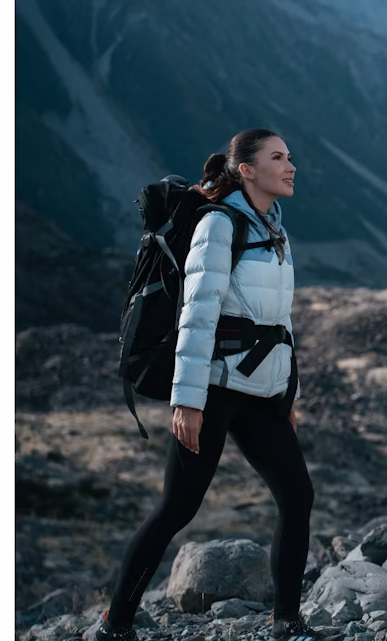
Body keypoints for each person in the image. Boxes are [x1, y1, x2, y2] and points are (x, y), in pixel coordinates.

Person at [97, 129, 325, 641]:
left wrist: (286, 392)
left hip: (262, 395)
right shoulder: (219, 225)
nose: (290, 166)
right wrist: (187, 400)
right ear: (245, 168)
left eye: (290, 156)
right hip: (217, 391)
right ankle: (116, 623)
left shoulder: (274, 227)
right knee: (177, 508)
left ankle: (287, 622)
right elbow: (197, 316)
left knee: (298, 495)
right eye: (277, 158)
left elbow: (279, 321)